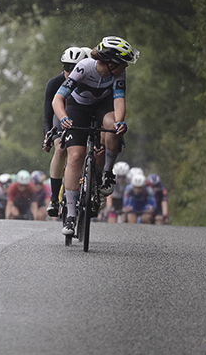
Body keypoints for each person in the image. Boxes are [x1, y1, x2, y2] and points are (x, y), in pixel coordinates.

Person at [52, 36, 139, 237]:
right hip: (77, 108)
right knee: (75, 156)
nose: (125, 67)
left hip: (102, 106)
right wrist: (63, 118)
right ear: (109, 63)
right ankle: (71, 215)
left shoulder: (118, 73)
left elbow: (119, 100)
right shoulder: (84, 67)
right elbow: (58, 99)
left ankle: (107, 173)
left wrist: (119, 121)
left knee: (111, 125)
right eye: (123, 63)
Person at [44, 46, 91, 217]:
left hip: (81, 116)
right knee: (60, 147)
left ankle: (89, 185)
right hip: (61, 116)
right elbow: (47, 115)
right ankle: (54, 198)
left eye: (74, 67)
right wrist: (48, 135)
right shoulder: (55, 83)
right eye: (66, 67)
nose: (70, 72)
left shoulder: (89, 80)